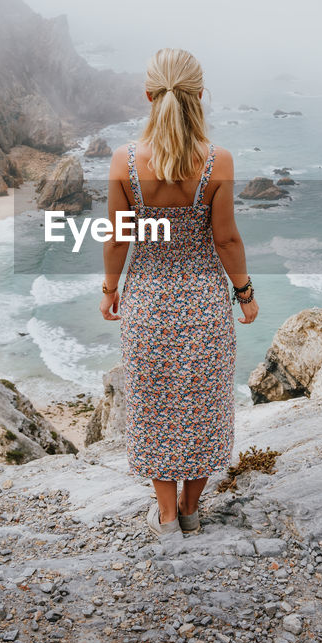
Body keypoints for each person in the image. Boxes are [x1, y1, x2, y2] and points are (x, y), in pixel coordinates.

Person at [100, 47, 258, 541]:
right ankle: (193, 509)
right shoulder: (218, 162)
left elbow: (117, 236)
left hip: (148, 302)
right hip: (204, 304)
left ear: (148, 95)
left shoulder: (124, 161)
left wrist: (110, 289)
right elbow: (226, 239)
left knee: (154, 406)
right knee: (203, 405)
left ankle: (166, 518)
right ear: (200, 96)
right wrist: (246, 294)